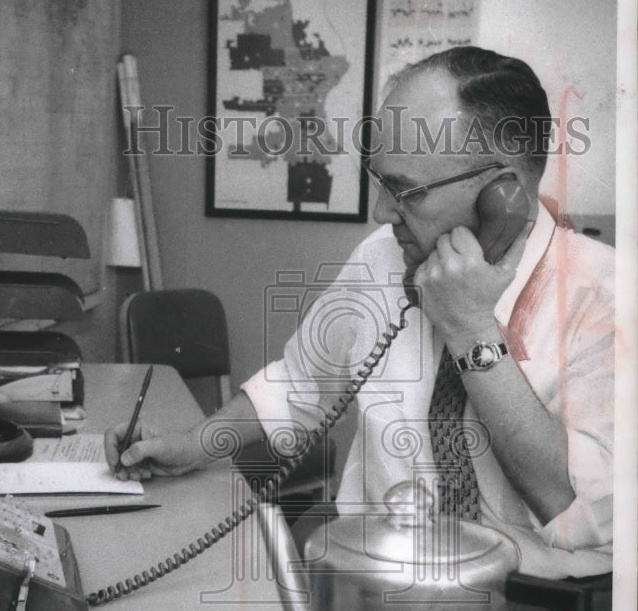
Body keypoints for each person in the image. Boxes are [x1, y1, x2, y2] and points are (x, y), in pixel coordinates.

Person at [105, 46, 614, 582]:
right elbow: (296, 385)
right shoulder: (382, 256)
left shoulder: (605, 297)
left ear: (503, 192)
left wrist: (471, 330)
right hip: (370, 586)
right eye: (380, 180)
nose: (380, 211)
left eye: (404, 191)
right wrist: (191, 445)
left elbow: (580, 516)